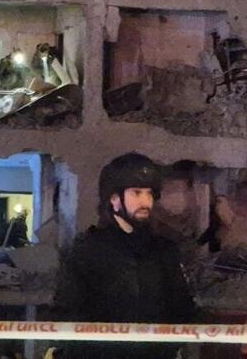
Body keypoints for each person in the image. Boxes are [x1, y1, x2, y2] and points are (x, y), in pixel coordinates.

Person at [53, 152, 197, 358]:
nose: (145, 202)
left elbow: (182, 309)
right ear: (114, 199)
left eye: (149, 194)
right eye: (136, 193)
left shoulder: (164, 251)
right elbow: (68, 311)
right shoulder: (87, 251)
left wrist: (165, 348)